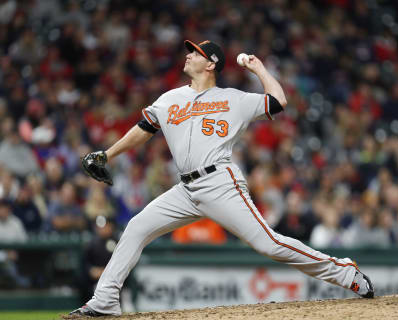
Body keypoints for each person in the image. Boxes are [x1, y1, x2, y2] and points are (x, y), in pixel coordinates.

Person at [70, 40, 374, 317]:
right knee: (136, 227)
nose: (187, 55)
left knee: (269, 244)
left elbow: (279, 101)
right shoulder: (169, 99)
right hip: (185, 189)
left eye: (195, 53)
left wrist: (258, 68)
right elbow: (143, 129)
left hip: (220, 183)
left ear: (211, 64)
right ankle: (106, 300)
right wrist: (107, 155)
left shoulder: (233, 99)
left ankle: (344, 272)